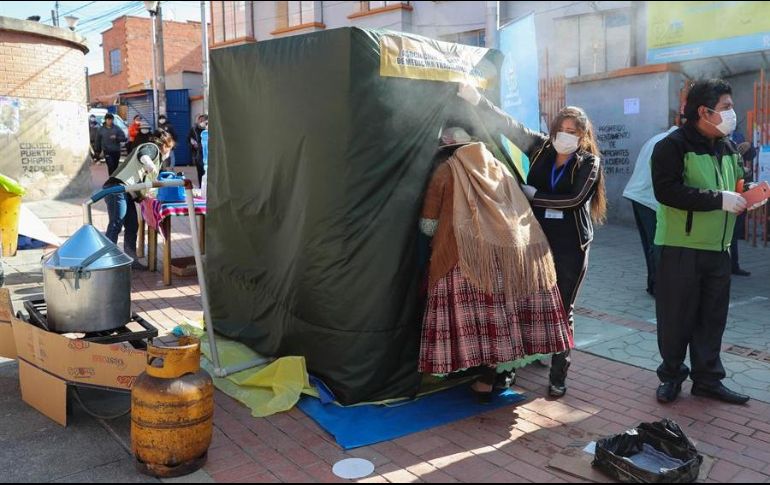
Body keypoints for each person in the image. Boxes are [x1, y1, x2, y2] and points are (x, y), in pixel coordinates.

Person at [458, 82, 607, 398]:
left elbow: (575, 200)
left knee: (561, 308)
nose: (566, 135)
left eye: (573, 131)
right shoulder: (541, 148)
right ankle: (510, 368)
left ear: (583, 136)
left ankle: (558, 375)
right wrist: (477, 99)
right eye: (561, 129)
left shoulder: (589, 162)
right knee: (525, 302)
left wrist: (536, 197)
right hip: (536, 240)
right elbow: (508, 125)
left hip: (571, 246)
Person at [419, 125, 573, 402]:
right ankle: (493, 376)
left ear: (448, 147)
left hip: (465, 260)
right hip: (512, 255)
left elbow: (428, 225)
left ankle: (476, 376)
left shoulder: (445, 170)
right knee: (500, 322)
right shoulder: (500, 168)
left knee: (475, 323)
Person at [651, 79, 766, 405]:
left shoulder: (727, 147)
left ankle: (707, 380)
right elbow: (667, 191)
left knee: (711, 319)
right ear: (704, 111)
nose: (733, 114)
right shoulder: (672, 146)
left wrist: (747, 195)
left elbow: (735, 185)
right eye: (727, 107)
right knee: (676, 319)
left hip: (719, 249)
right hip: (680, 248)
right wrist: (720, 199)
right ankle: (671, 376)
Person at [104, 131, 175, 269]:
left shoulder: (158, 159)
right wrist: (149, 164)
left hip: (126, 192)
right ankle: (106, 261)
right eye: (170, 148)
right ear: (165, 145)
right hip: (116, 188)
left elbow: (141, 184)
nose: (169, 152)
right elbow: (143, 154)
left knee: (132, 226)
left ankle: (131, 260)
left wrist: (144, 195)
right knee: (115, 224)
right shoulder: (152, 148)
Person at [623, 122, 679, 296]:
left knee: (649, 244)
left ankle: (653, 284)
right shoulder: (672, 143)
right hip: (649, 199)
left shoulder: (656, 139)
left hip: (638, 195)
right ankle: (658, 287)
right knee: (657, 245)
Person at [188, 114, 208, 186]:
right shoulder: (193, 129)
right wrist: (192, 144)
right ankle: (201, 186)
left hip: (207, 154)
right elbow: (189, 139)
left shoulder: (208, 130)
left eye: (204, 120)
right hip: (198, 155)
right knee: (200, 172)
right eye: (200, 120)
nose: (201, 122)